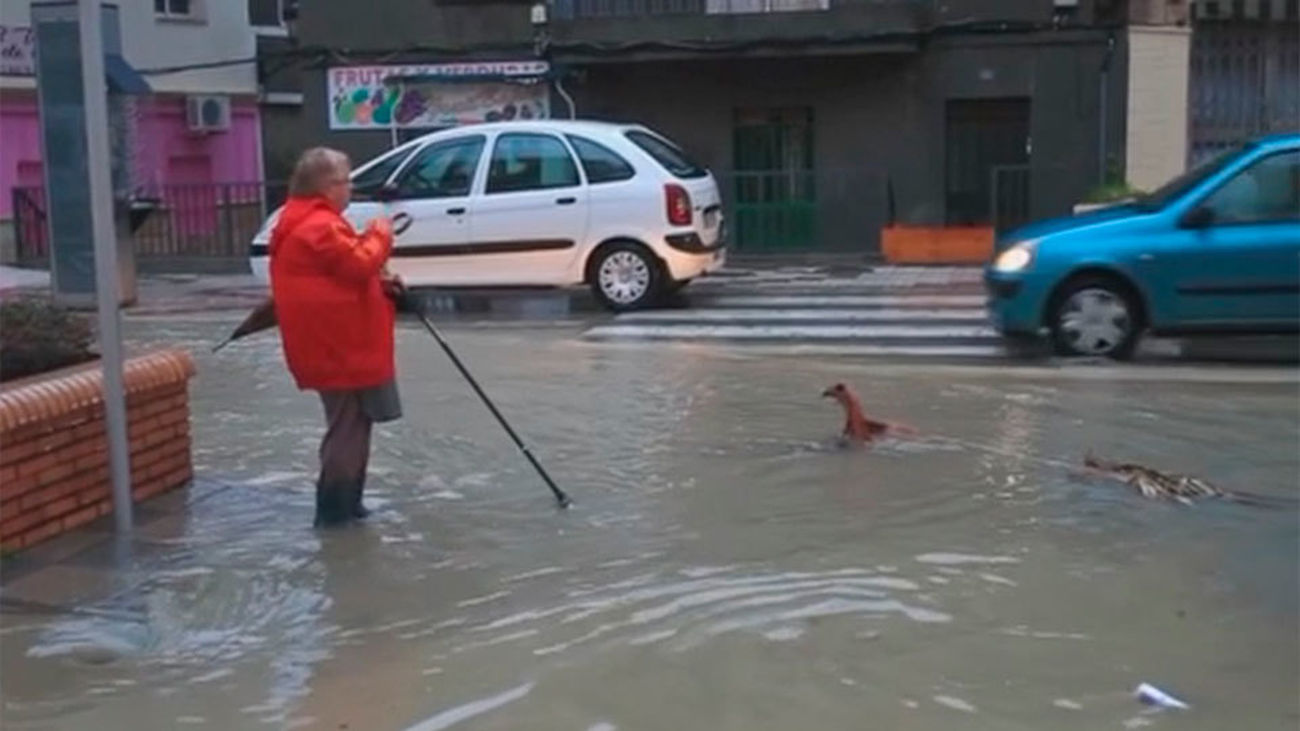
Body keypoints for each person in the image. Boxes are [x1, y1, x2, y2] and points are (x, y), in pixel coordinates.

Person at [269, 147, 403, 527]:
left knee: (355, 424)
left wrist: (382, 285)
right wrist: (381, 231)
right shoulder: (319, 227)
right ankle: (335, 512)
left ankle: (349, 505)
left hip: (339, 346)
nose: (351, 188)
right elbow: (360, 263)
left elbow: (342, 275)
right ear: (327, 187)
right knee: (347, 428)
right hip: (340, 349)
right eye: (346, 181)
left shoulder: (306, 221)